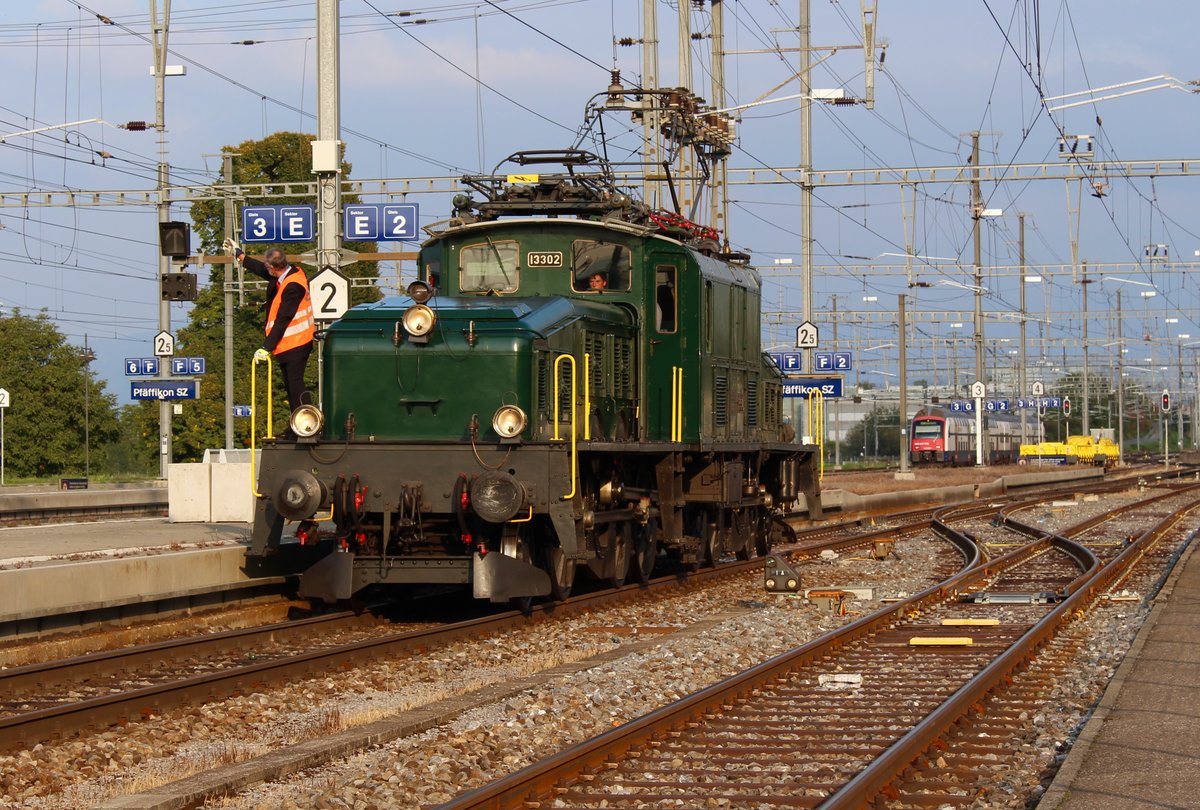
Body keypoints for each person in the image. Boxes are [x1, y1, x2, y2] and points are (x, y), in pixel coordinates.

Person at [224, 238, 315, 430]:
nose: (266, 270)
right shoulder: (289, 273)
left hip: (296, 342)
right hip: (288, 343)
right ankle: (297, 424)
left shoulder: (293, 287)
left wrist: (266, 347)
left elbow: (283, 319)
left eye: (268, 267)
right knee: (291, 385)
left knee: (295, 384)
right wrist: (239, 254)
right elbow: (259, 268)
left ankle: (307, 424)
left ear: (274, 268)